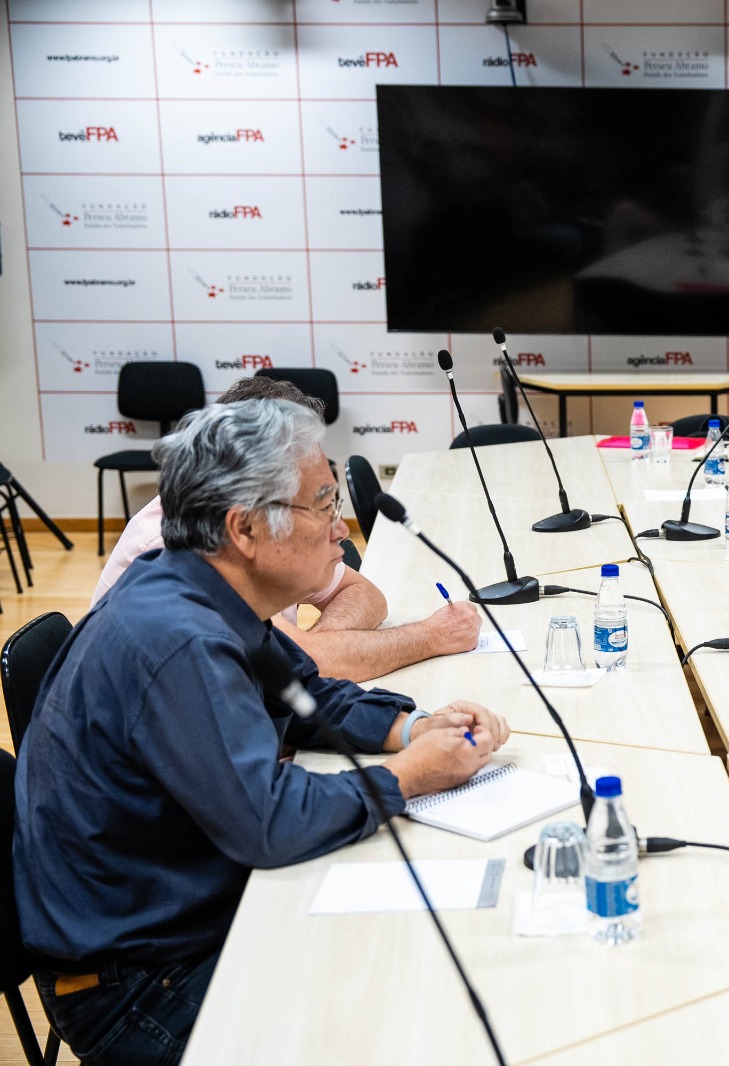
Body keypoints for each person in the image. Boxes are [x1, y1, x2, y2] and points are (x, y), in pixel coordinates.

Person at [15, 398, 511, 1064]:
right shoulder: (176, 638)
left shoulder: (203, 590)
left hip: (181, 924)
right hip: (140, 985)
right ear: (245, 529)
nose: (340, 530)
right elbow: (269, 822)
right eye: (323, 505)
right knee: (406, 1017)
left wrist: (415, 725)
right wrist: (415, 773)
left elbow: (306, 696)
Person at [92, 376, 481, 682]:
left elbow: (362, 597)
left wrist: (318, 646)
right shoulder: (180, 543)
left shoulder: (264, 512)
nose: (340, 530)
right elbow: (311, 667)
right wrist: (430, 637)